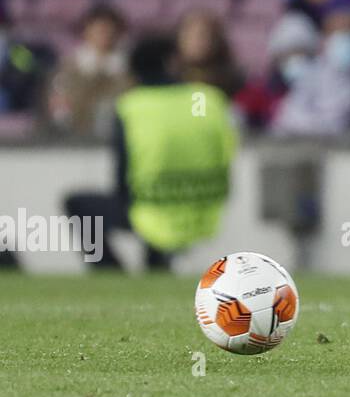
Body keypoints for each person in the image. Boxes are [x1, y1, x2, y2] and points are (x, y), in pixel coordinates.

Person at [65, 35, 235, 271]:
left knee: (77, 204)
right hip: (205, 207)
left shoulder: (132, 105)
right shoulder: (207, 98)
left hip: (153, 207)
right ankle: (157, 262)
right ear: (173, 63)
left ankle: (110, 271)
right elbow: (227, 152)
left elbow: (123, 172)